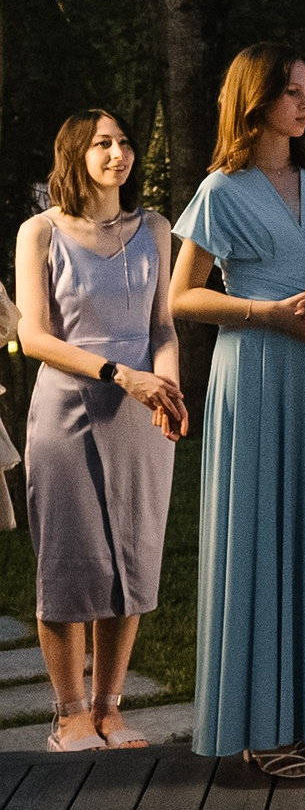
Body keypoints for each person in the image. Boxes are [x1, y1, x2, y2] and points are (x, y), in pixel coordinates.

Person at [172, 45, 305, 777]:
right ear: (255, 100)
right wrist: (269, 314)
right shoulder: (221, 190)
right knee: (257, 532)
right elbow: (182, 297)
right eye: (290, 91)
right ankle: (257, 726)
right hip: (253, 367)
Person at [14, 110, 185, 752]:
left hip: (142, 409)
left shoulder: (155, 228)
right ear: (75, 155)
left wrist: (166, 387)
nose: (119, 153)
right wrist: (121, 374)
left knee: (129, 558)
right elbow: (34, 337)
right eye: (103, 143)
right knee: (69, 560)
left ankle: (109, 709)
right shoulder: (41, 231)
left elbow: (163, 326)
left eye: (124, 142)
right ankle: (68, 717)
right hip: (69, 408)